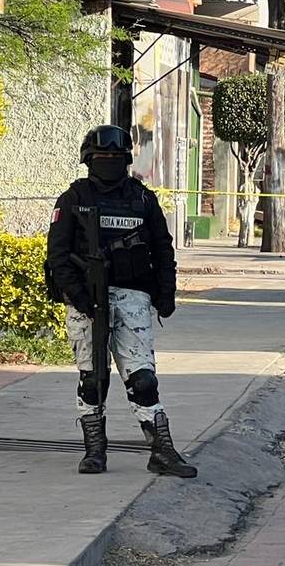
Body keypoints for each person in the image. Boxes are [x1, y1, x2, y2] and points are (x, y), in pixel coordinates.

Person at [45, 125, 196, 478]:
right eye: (102, 158)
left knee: (143, 380)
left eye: (116, 157)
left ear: (127, 160)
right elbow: (58, 255)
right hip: (85, 301)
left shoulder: (142, 199)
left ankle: (161, 451)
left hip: (132, 298)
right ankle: (95, 452)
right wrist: (79, 296)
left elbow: (163, 248)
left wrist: (166, 291)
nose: (109, 163)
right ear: (88, 160)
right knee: (93, 379)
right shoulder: (73, 198)